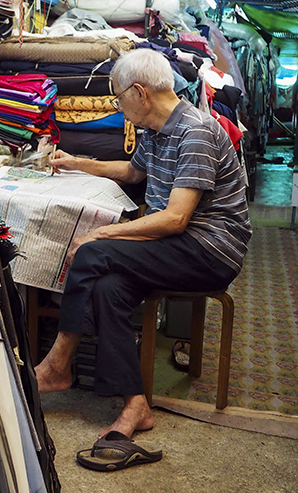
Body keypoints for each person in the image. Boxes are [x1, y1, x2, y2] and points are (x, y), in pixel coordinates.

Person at [35, 48, 252, 438]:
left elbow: (175, 219)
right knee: (107, 288)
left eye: (118, 98)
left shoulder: (196, 131)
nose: (119, 106)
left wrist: (99, 233)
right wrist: (78, 162)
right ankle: (136, 406)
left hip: (211, 249)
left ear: (139, 93)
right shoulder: (156, 129)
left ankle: (56, 365)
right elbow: (134, 173)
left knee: (92, 251)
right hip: (182, 244)